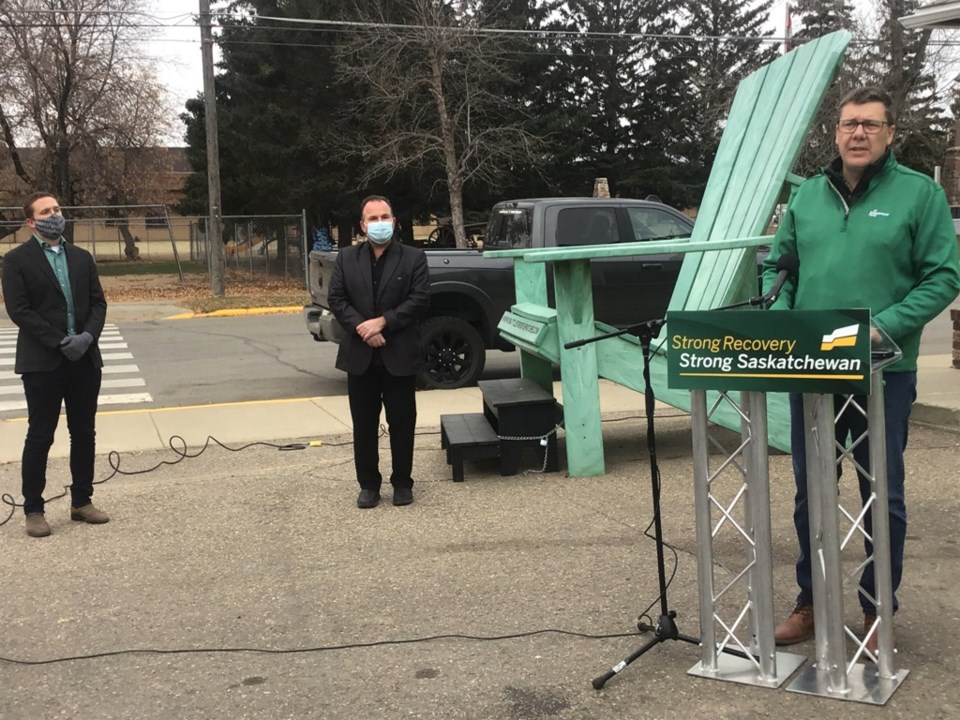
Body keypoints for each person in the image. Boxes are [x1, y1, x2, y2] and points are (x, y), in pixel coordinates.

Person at [763, 87, 960, 652]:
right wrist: (782, 322)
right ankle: (812, 602)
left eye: (871, 125)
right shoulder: (807, 199)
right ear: (835, 132)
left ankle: (878, 611)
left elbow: (943, 277)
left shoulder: (920, 195)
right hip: (814, 369)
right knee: (811, 493)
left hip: (882, 371)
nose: (858, 134)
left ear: (890, 133)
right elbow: (780, 270)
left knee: (882, 494)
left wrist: (884, 326)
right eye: (850, 124)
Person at [1, 192, 110, 537]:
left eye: (57, 209)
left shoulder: (81, 257)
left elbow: (98, 303)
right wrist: (60, 341)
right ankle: (34, 508)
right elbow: (19, 310)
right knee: (40, 435)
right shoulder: (16, 260)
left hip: (84, 360)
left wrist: (86, 338)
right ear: (31, 221)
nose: (54, 215)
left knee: (84, 433)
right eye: (46, 211)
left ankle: (82, 501)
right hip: (43, 362)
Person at [327, 195, 430, 508]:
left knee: (402, 423)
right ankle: (369, 485)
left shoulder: (413, 258)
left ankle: (402, 482)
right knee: (364, 425)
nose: (379, 223)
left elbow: (419, 299)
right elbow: (337, 299)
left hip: (398, 354)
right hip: (360, 357)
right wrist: (364, 328)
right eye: (373, 219)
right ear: (362, 225)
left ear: (394, 221)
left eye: (385, 216)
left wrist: (383, 323)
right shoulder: (346, 258)